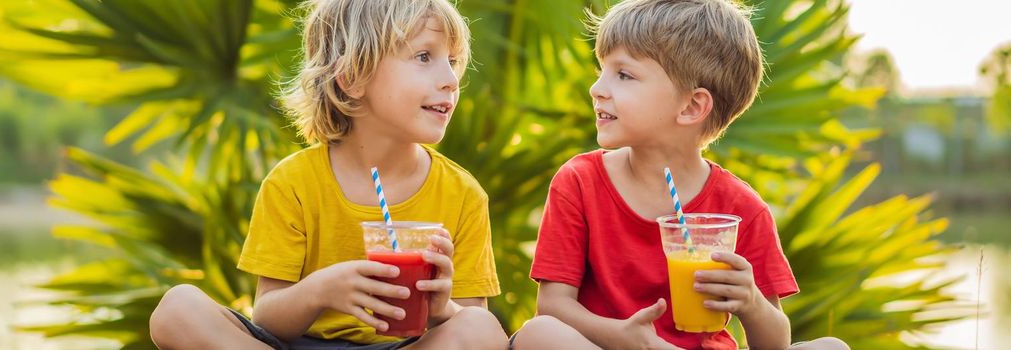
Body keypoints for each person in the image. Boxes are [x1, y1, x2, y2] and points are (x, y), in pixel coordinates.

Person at [148, 1, 506, 349]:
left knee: (482, 330)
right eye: (424, 56)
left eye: (453, 61)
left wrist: (443, 309)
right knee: (178, 309)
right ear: (352, 78)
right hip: (298, 343)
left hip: (405, 346)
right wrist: (320, 290)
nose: (449, 79)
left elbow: (472, 322)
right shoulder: (293, 182)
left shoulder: (463, 194)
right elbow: (267, 317)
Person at [510, 1, 849, 349]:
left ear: (691, 107)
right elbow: (552, 305)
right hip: (608, 346)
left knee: (832, 347)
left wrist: (752, 303)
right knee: (539, 334)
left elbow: (774, 344)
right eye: (602, 70)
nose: (597, 88)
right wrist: (627, 339)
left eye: (623, 75)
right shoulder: (580, 181)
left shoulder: (741, 208)